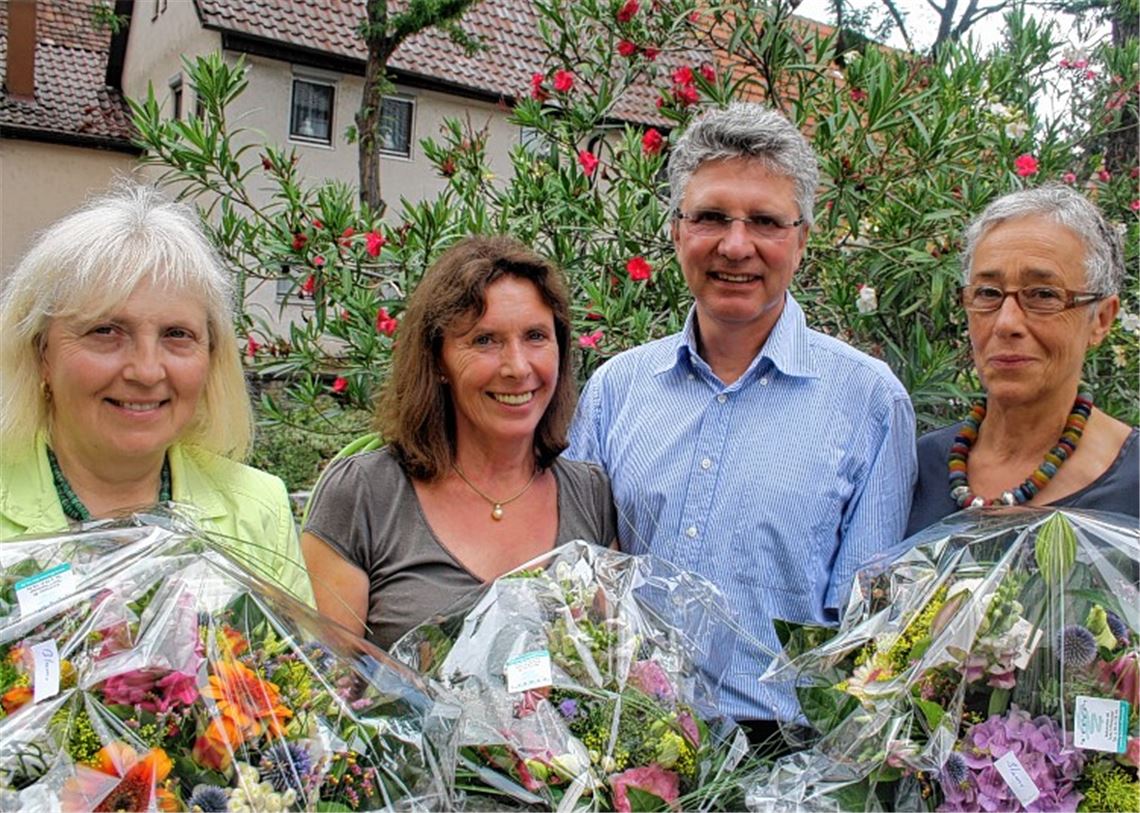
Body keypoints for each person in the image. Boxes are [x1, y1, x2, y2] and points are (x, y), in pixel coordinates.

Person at [566, 103, 917, 739]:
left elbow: (865, 632)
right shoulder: (616, 390)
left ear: (801, 240)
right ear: (677, 231)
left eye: (765, 221)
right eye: (710, 217)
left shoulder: (869, 402)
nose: (735, 245)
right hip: (624, 740)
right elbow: (573, 582)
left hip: (784, 757)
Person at [0, 184, 314, 606]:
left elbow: (294, 649)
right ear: (41, 353)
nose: (146, 371)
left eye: (177, 335)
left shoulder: (258, 507)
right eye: (105, 331)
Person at [301, 236, 616, 649]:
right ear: (438, 360)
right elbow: (326, 679)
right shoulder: (364, 495)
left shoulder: (591, 495)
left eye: (536, 336)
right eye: (485, 340)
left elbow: (614, 662)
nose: (517, 367)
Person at [907, 186, 1137, 535]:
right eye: (988, 293)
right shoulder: (921, 468)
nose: (1006, 323)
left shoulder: (1131, 483)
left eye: (1043, 295)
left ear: (1101, 319)